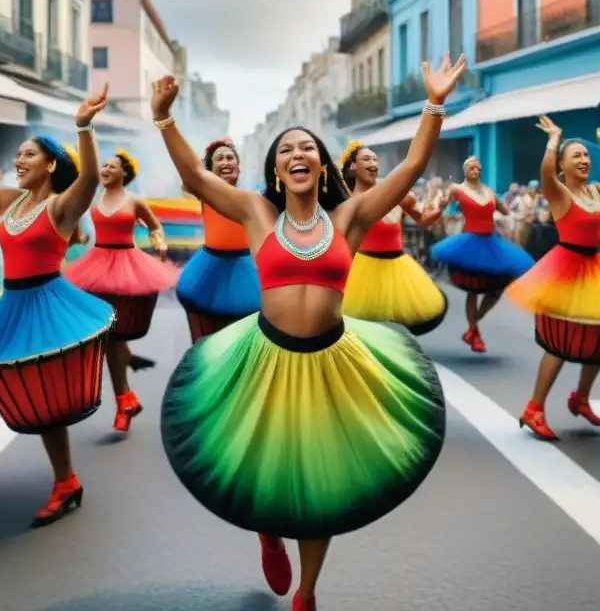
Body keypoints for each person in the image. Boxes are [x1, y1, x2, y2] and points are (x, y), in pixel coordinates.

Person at [155, 52, 464, 611]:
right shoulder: (255, 213)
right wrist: (164, 118)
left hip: (331, 362)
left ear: (322, 166)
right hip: (263, 358)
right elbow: (192, 178)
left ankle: (307, 591)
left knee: (319, 482)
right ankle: (268, 532)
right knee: (263, 460)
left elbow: (411, 168)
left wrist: (434, 103)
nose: (298, 154)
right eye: (287, 149)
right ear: (277, 169)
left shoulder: (350, 218)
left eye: (307, 148)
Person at [0, 87, 115, 526]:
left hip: (49, 304)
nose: (18, 161)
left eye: (28, 155)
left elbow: (92, 180)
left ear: (51, 164)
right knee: (41, 408)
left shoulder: (61, 206)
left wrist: (83, 127)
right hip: (14, 305)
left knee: (50, 406)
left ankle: (65, 482)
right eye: (17, 155)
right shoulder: (10, 201)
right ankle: (67, 481)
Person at [506, 117, 600, 439]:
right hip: (565, 270)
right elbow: (545, 172)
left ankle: (580, 397)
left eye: (586, 156)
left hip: (594, 270)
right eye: (576, 156)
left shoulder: (595, 192)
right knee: (560, 343)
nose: (584, 160)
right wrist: (554, 139)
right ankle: (534, 408)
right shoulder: (559, 193)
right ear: (563, 166)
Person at [63, 149, 176, 431]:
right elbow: (74, 226)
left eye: (112, 166)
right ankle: (125, 397)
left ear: (124, 173)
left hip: (127, 266)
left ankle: (124, 399)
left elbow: (155, 227)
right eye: (103, 165)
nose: (105, 169)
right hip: (97, 266)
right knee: (107, 335)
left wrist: (159, 243)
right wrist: (76, 238)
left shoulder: (135, 200)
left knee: (110, 336)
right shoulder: (92, 199)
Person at [428, 156, 534, 352]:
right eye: (472, 167)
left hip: (491, 243)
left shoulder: (488, 191)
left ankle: (473, 323)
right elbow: (441, 205)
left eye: (478, 167)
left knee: (498, 287)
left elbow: (505, 210)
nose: (476, 170)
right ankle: (473, 331)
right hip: (469, 244)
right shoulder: (457, 189)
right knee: (474, 289)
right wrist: (437, 206)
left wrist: (521, 216)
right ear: (465, 170)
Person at [338, 141, 446, 334]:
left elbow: (423, 218)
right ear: (353, 166)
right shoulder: (346, 199)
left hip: (398, 268)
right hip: (362, 273)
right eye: (366, 159)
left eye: (375, 159)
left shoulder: (398, 193)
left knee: (396, 330)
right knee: (364, 331)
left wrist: (439, 208)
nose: (373, 163)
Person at [174, 139, 261, 343]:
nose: (225, 162)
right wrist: (201, 167)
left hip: (245, 269)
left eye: (230, 158)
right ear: (210, 169)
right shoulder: (205, 194)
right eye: (219, 159)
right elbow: (188, 179)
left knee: (243, 334)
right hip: (210, 268)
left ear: (238, 166)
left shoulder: (250, 197)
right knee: (212, 334)